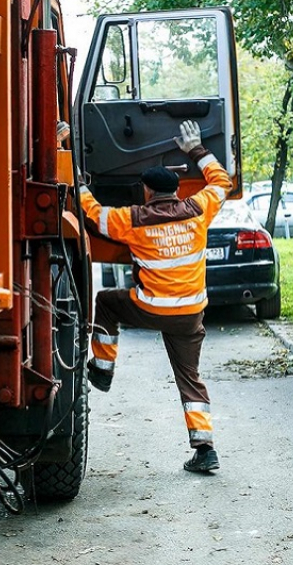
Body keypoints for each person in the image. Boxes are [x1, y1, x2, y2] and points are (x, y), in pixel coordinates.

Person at [78, 120, 231, 473]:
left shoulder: (135, 218)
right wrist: (197, 150)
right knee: (190, 376)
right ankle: (205, 449)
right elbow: (222, 182)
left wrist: (81, 185)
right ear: (177, 190)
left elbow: (94, 216)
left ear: (146, 191)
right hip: (191, 314)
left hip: (149, 308)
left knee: (107, 302)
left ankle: (102, 370)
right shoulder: (197, 210)